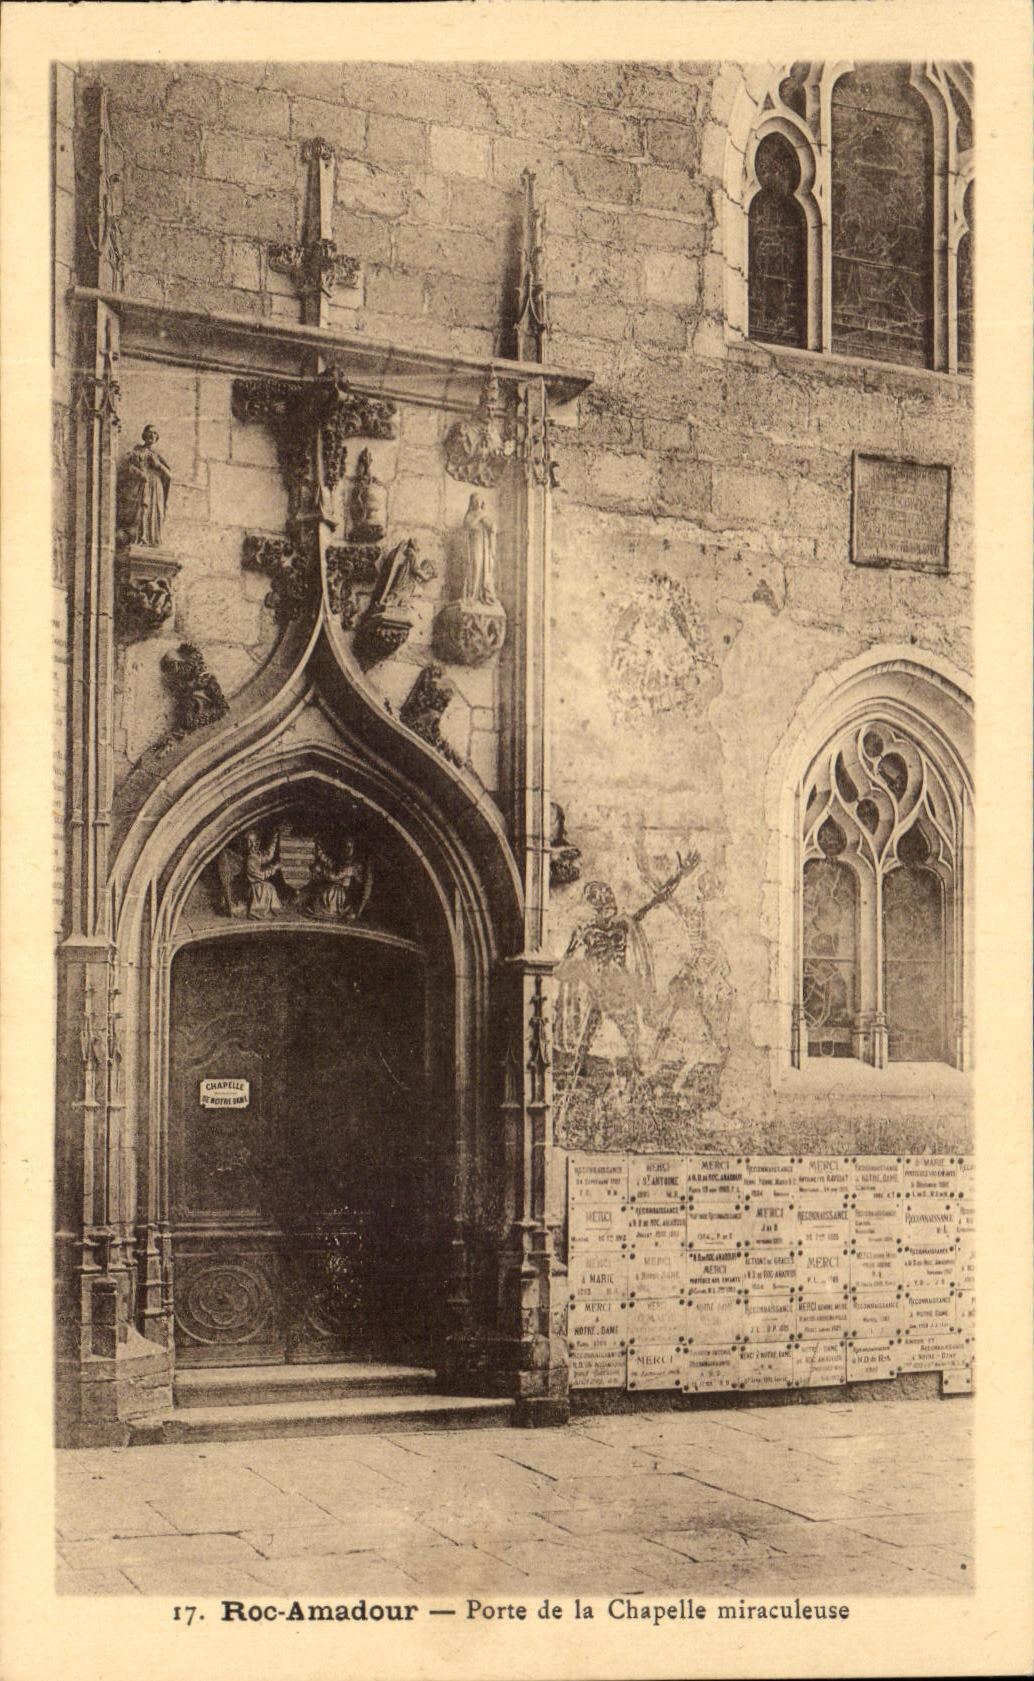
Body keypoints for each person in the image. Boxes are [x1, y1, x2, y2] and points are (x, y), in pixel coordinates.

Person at [117, 425, 172, 547]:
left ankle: (153, 539)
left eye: (155, 434)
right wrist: (138, 473)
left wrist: (158, 466)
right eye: (150, 432)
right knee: (142, 510)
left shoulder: (157, 455)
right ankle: (140, 537)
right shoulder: (135, 452)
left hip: (155, 485)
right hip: (142, 483)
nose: (152, 436)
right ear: (144, 434)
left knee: (155, 511)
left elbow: (169, 475)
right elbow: (126, 468)